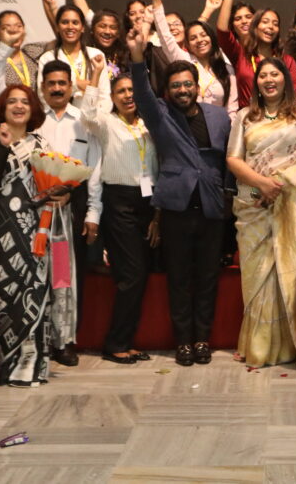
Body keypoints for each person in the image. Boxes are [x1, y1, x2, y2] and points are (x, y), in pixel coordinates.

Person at [0, 38, 105, 368]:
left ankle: (63, 340)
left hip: (67, 210)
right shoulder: (35, 123)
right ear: (43, 87)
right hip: (30, 215)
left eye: (62, 83)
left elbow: (93, 167)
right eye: (50, 83)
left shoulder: (86, 121)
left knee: (64, 278)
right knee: (33, 279)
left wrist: (91, 209)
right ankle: (35, 335)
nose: (56, 88)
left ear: (70, 87)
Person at [121, 24, 232, 366]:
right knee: (180, 279)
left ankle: (202, 339)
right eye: (175, 86)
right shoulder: (161, 115)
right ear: (167, 92)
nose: (183, 90)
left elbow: (227, 158)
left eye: (187, 84)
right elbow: (141, 93)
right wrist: (138, 55)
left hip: (212, 207)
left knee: (208, 279)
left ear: (197, 87)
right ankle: (183, 341)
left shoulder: (219, 116)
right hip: (176, 208)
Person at [226, 58, 296, 370]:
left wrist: (283, 184)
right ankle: (259, 346)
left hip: (291, 205)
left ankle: (291, 343)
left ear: (286, 80)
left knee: (288, 271)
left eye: (275, 74)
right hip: (253, 205)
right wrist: (262, 183)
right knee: (258, 277)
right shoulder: (245, 117)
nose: (268, 79)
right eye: (263, 75)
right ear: (257, 82)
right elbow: (234, 159)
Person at [0, 85, 59, 387]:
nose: (19, 106)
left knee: (35, 293)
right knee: (3, 296)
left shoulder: (40, 143)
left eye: (25, 102)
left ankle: (33, 367)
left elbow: (51, 184)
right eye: (12, 102)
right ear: (3, 108)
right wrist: (2, 146)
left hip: (36, 231)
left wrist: (61, 194)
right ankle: (7, 365)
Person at [81, 65, 160, 365]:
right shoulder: (106, 123)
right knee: (131, 275)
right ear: (112, 97)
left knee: (139, 275)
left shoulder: (148, 124)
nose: (128, 96)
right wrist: (95, 78)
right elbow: (87, 116)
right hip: (119, 203)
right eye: (121, 92)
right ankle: (115, 343)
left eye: (132, 90)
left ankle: (126, 340)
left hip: (148, 201)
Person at [150, 0, 238, 119]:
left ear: (212, 38)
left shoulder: (225, 67)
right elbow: (165, 36)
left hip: (218, 130)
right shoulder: (185, 61)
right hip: (188, 127)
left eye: (204, 35)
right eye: (193, 38)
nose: (200, 40)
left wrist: (229, 134)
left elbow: (232, 108)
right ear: (188, 44)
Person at [216, 0, 296, 108]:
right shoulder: (241, 55)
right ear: (255, 26)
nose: (270, 27)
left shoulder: (286, 61)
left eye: (275, 24)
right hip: (250, 119)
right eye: (265, 22)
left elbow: (294, 95)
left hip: (280, 121)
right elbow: (222, 30)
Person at [0, 10, 44, 136]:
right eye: (6, 28)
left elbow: (63, 39)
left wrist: (51, 4)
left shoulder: (33, 55)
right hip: (5, 133)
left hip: (33, 131)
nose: (13, 31)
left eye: (18, 26)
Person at [37, 4, 111, 111]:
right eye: (65, 22)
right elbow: (43, 94)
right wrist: (76, 85)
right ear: (57, 27)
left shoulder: (96, 55)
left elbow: (105, 96)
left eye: (75, 22)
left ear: (83, 28)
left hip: (92, 121)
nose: (70, 27)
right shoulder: (48, 58)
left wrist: (96, 119)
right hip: (60, 119)